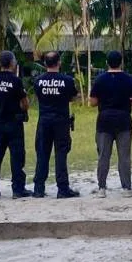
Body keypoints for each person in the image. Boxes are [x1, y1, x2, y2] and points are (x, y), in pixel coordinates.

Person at [90, 50, 132, 198]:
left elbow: (92, 102)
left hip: (104, 120)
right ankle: (126, 187)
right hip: (124, 120)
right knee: (124, 156)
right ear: (121, 62)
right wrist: (127, 100)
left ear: (107, 63)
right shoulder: (129, 79)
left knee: (103, 155)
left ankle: (101, 188)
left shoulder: (100, 79)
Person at [32, 51, 80, 199]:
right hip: (61, 121)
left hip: (44, 121)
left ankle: (38, 188)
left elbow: (38, 96)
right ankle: (62, 188)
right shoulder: (67, 80)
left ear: (45, 64)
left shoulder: (38, 81)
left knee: (42, 154)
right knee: (61, 154)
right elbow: (73, 97)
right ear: (59, 62)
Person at [0, 51, 31, 200]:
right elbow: (25, 103)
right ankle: (18, 189)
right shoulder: (16, 81)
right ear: (12, 63)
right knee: (17, 156)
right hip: (14, 123)